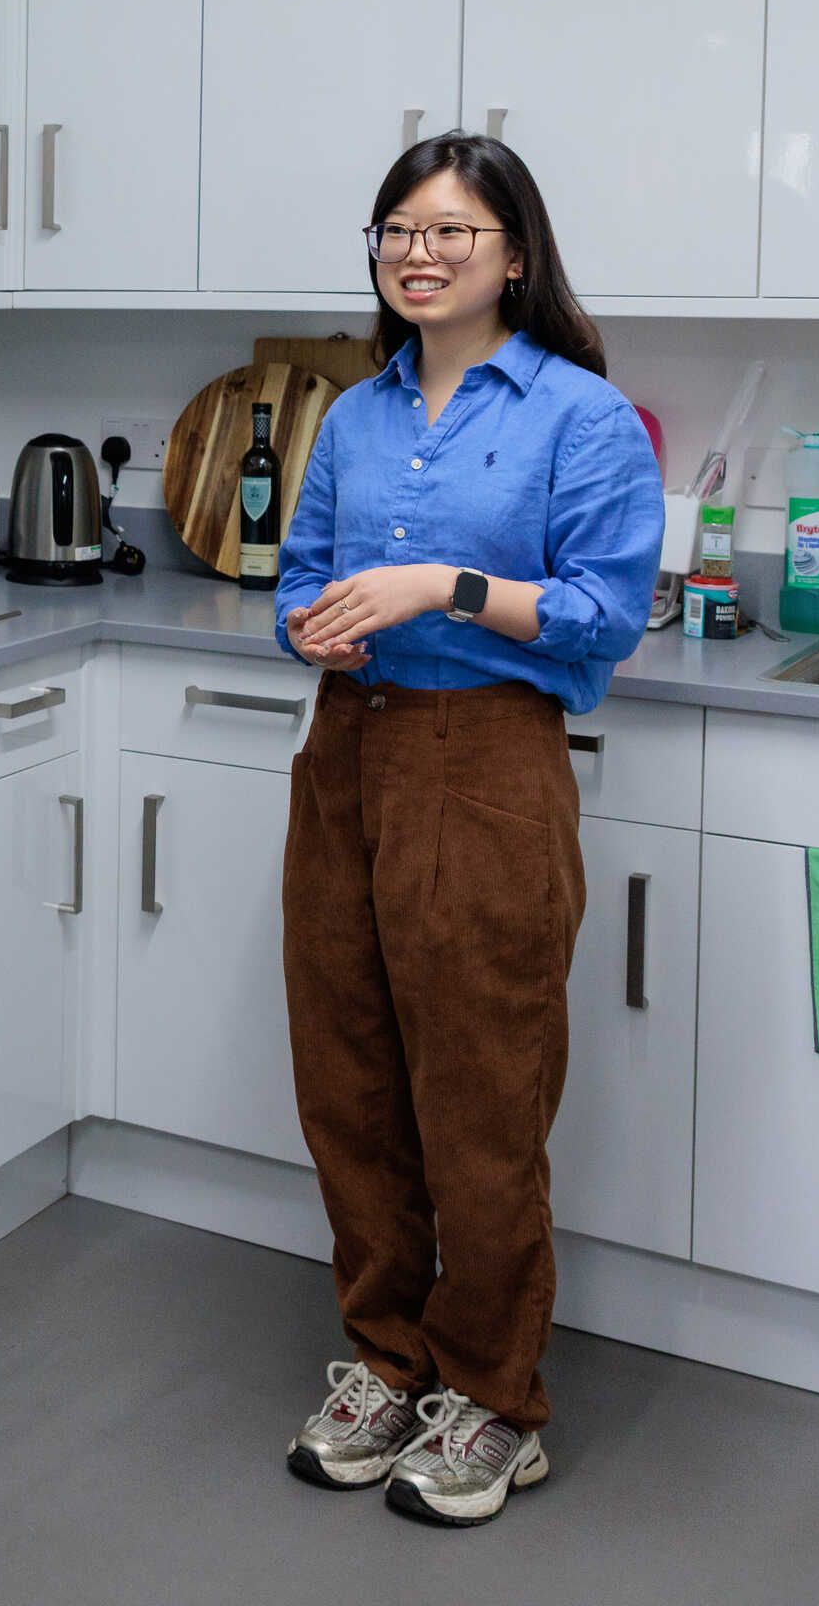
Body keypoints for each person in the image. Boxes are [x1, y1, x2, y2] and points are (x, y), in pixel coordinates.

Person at [272, 132, 661, 1526]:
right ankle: (383, 1360)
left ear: (515, 255)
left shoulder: (580, 417)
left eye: (449, 231)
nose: (417, 253)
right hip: (348, 755)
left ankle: (496, 1397)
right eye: (396, 230)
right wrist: (318, 622)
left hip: (489, 764)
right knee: (350, 1081)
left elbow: (609, 615)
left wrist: (444, 584)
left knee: (480, 1099)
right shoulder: (358, 414)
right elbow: (301, 582)